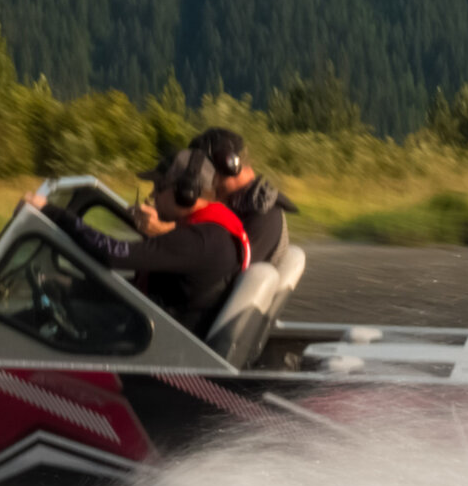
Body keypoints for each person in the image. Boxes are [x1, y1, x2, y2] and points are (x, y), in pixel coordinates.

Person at [29, 149, 249, 333]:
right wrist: (71, 285)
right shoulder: (211, 230)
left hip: (157, 348)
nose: (152, 195)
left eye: (159, 186)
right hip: (157, 328)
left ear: (185, 192)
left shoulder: (199, 240)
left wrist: (49, 212)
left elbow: (112, 253)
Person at [189, 124, 291, 266]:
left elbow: (221, 270)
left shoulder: (262, 210)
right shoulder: (241, 203)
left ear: (230, 165)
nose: (203, 182)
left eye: (205, 172)